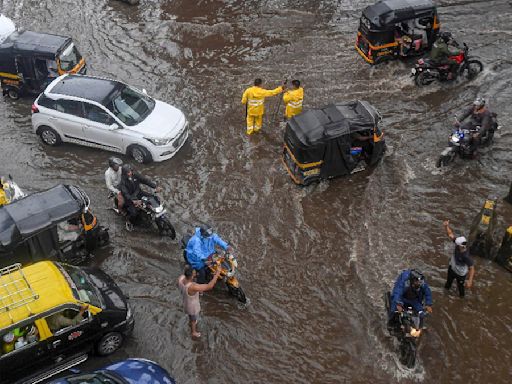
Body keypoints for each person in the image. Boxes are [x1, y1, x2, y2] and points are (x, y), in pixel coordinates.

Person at [178, 264, 221, 338]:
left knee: (191, 316)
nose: (196, 274)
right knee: (193, 319)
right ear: (191, 276)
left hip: (186, 302)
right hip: (192, 307)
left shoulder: (180, 279)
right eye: (194, 274)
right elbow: (209, 286)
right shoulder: (193, 287)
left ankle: (191, 321)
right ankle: (194, 332)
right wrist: (217, 274)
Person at [119, 164, 162, 230]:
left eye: (130, 171)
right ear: (124, 173)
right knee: (134, 213)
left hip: (139, 192)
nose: (130, 173)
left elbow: (145, 180)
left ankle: (155, 211)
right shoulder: (122, 182)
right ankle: (129, 221)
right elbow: (125, 193)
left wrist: (155, 186)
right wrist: (133, 201)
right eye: (128, 172)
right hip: (130, 198)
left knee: (153, 197)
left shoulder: (135, 175)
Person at [443, 220, 475, 298]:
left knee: (461, 288)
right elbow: (450, 234)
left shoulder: (466, 256)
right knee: (448, 284)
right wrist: (446, 226)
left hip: (460, 274)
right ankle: (445, 294)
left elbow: (472, 268)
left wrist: (470, 281)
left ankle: (461, 299)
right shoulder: (459, 244)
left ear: (461, 246)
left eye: (457, 244)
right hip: (452, 268)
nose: (455, 244)